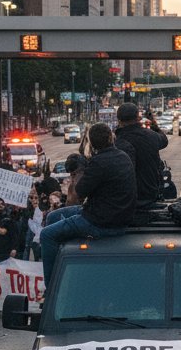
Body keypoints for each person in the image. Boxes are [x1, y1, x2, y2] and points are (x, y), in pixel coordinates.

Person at [39, 122, 136, 286]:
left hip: (99, 222)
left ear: (92, 143)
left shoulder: (98, 163)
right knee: (52, 216)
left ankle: (51, 287)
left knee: (46, 235)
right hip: (121, 215)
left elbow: (77, 196)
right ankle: (62, 266)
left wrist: (76, 176)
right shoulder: (123, 156)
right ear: (111, 137)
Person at [114, 102, 168, 217]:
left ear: (119, 120)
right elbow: (164, 140)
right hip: (150, 196)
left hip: (126, 200)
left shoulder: (116, 142)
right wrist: (153, 123)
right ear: (138, 117)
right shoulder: (152, 136)